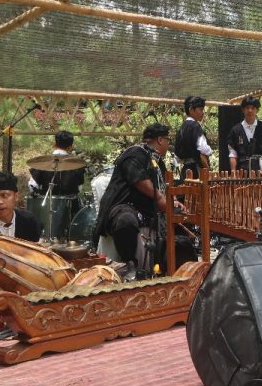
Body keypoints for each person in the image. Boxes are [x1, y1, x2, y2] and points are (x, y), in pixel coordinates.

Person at [92, 123, 171, 279]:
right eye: (168, 140)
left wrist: (172, 202)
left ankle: (166, 270)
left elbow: (162, 189)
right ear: (160, 140)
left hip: (147, 208)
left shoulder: (158, 162)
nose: (169, 145)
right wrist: (162, 200)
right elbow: (138, 180)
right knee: (125, 220)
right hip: (123, 204)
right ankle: (130, 266)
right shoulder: (134, 153)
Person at [28, 130, 85, 197]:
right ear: (71, 147)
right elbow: (79, 188)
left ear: (54, 143)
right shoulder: (77, 165)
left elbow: (32, 186)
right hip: (70, 203)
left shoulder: (42, 163)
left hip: (47, 202)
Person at [227, 96, 262, 173]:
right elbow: (233, 155)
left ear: (257, 110)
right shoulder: (235, 130)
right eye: (247, 108)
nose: (250, 110)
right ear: (243, 110)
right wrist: (233, 173)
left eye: (253, 108)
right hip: (243, 172)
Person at [175, 95, 212, 178]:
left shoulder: (182, 128)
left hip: (185, 170)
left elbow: (177, 155)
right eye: (201, 109)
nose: (203, 112)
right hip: (196, 170)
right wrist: (208, 170)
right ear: (191, 109)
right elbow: (203, 149)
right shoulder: (195, 126)